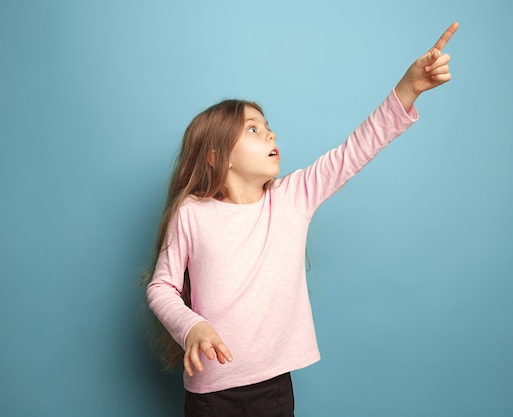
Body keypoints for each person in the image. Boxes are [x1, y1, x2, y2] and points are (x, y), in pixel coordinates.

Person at [144, 22, 459, 417]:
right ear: (215, 155)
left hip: (274, 388)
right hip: (211, 394)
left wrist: (408, 89)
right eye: (254, 129)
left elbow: (355, 150)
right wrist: (192, 327)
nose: (271, 135)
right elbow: (161, 287)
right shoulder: (191, 213)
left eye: (269, 127)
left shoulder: (293, 197)